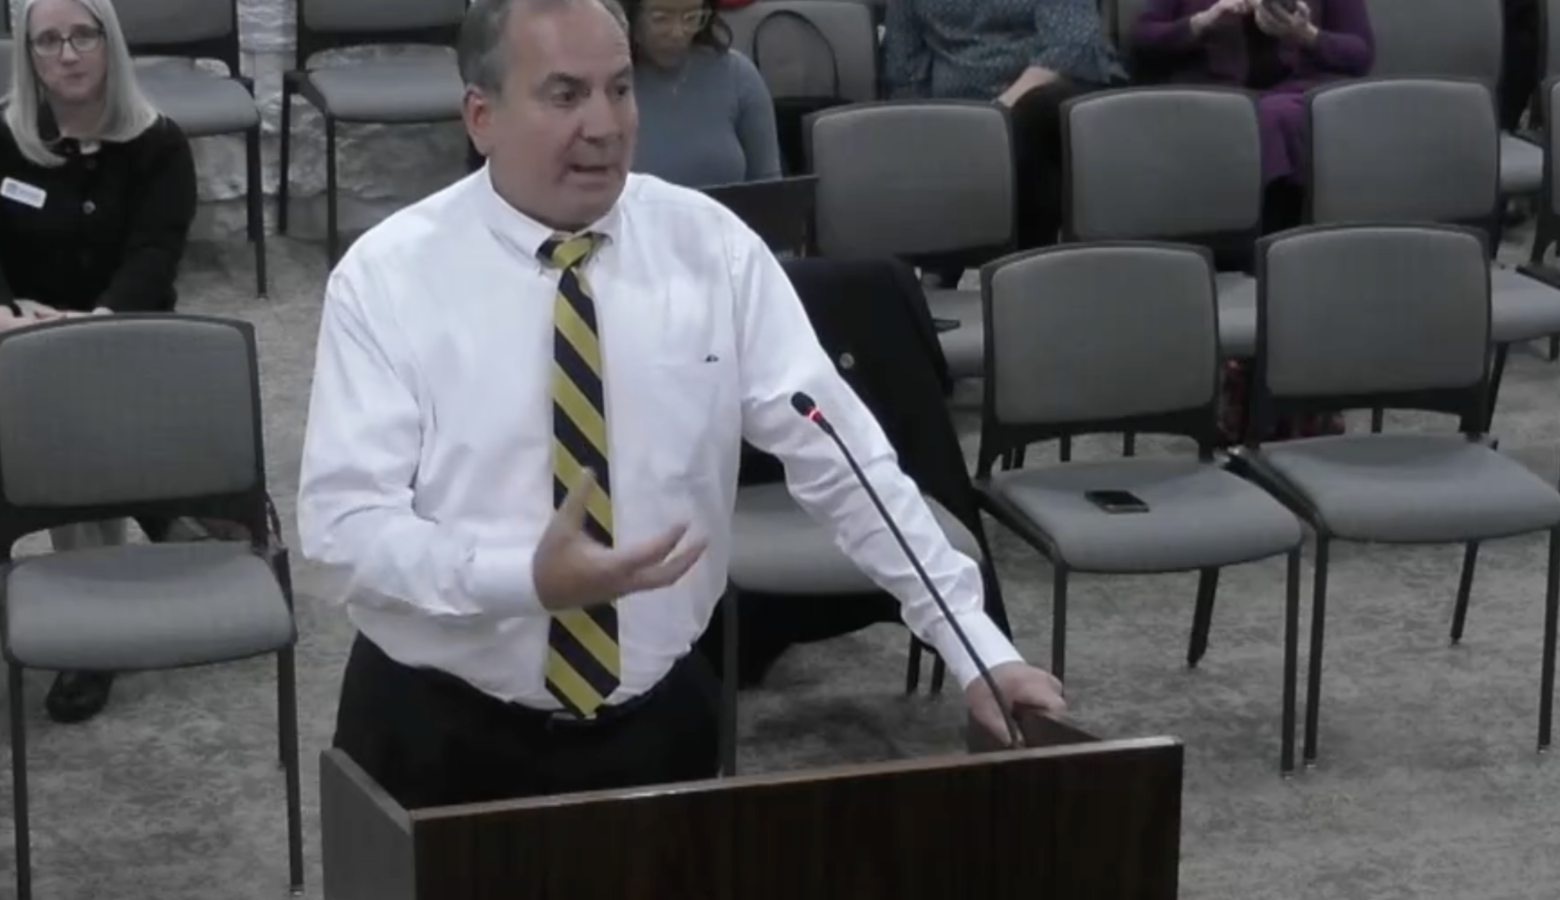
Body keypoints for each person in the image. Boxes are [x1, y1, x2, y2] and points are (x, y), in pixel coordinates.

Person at [298, 0, 1065, 810]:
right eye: (565, 96)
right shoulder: (387, 278)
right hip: (438, 730)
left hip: (657, 726)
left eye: (620, 90)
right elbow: (342, 531)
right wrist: (517, 577)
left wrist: (972, 640)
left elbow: (844, 460)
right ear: (480, 115)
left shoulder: (714, 250)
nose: (604, 125)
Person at [0, 0, 198, 723]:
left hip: (127, 336)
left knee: (70, 421)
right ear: (28, 55)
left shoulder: (159, 146)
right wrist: (11, 315)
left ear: (109, 43)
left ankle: (90, 635)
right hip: (14, 335)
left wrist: (94, 327)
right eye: (48, 40)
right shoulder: (4, 136)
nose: (68, 52)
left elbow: (154, 256)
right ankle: (168, 510)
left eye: (83, 34)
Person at [882, 0, 1127, 264]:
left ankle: (1028, 266)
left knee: (1031, 120)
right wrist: (929, 124)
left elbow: (1069, 46)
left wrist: (997, 112)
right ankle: (943, 264)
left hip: (1046, 92)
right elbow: (905, 67)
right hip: (956, 107)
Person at [1131, 0, 1373, 231]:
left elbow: (1361, 54)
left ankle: (1282, 244)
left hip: (1296, 92)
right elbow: (1144, 38)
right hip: (1213, 95)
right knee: (1256, 118)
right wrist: (1203, 22)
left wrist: (1307, 35)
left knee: (1279, 116)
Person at [623, 0, 781, 186]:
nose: (678, 32)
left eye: (692, 17)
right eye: (661, 19)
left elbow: (770, 187)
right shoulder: (610, 85)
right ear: (629, 15)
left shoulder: (738, 75)